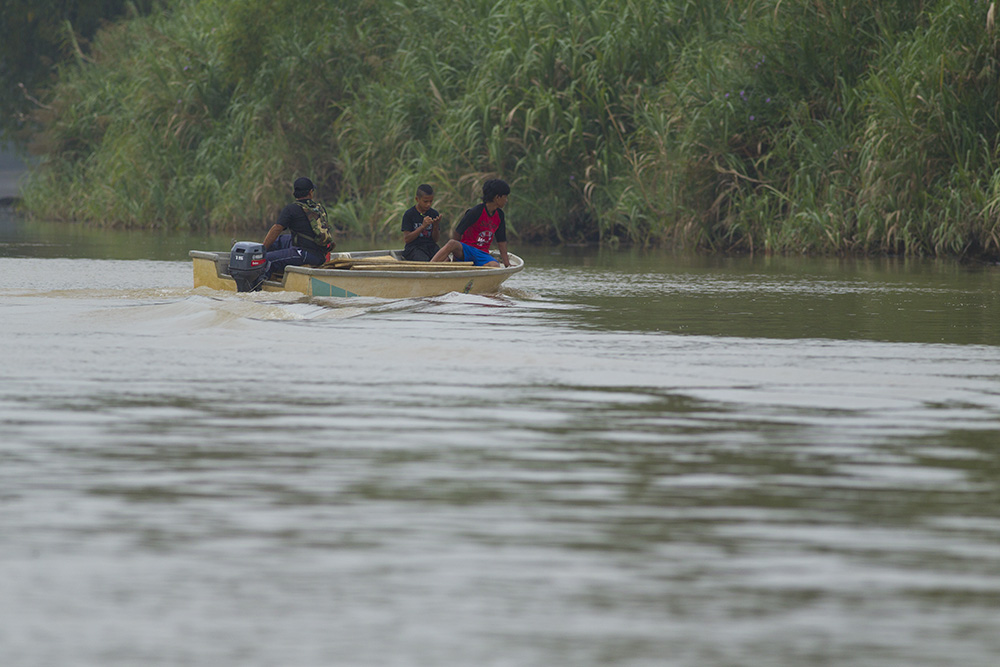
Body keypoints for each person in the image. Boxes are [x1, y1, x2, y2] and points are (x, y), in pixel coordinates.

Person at [261, 177, 335, 279]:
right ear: (310, 192)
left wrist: (262, 250)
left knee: (265, 259)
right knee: (279, 240)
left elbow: (277, 228)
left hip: (305, 254)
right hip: (320, 253)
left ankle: (259, 286)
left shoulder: (291, 209)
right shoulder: (319, 209)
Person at [430, 179, 511, 267]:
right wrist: (455, 257)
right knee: (452, 243)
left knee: (495, 266)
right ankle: (429, 267)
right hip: (466, 249)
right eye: (505, 197)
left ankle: (475, 271)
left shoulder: (500, 215)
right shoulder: (476, 211)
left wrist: (507, 263)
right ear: (497, 197)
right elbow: (458, 232)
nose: (506, 200)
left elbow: (501, 241)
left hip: (482, 253)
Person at [400, 184, 441, 261]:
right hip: (414, 247)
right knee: (423, 260)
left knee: (445, 258)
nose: (428, 204)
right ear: (417, 199)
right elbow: (407, 239)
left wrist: (435, 226)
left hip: (430, 247)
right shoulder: (409, 214)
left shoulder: (434, 214)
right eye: (425, 201)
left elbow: (435, 239)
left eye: (431, 201)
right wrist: (422, 227)